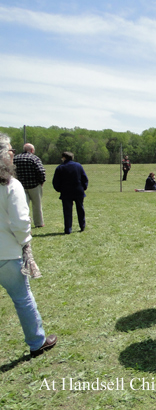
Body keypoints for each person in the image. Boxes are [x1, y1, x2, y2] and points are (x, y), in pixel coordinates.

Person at [0, 133, 57, 357]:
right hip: (9, 253)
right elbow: (21, 222)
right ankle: (37, 342)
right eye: (11, 150)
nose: (14, 153)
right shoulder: (11, 186)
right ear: (5, 155)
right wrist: (25, 243)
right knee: (23, 298)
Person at [52, 151, 88, 234]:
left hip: (66, 191)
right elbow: (84, 178)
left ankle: (68, 229)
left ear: (64, 158)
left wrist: (59, 189)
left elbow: (56, 182)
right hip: (78, 190)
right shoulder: (78, 166)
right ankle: (82, 226)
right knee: (80, 208)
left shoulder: (60, 168)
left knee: (67, 211)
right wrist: (83, 187)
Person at [13, 143, 46, 228]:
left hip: (21, 186)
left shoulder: (15, 158)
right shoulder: (34, 158)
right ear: (31, 150)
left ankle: (23, 222)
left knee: (23, 205)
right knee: (37, 205)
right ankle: (38, 223)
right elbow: (41, 171)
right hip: (34, 185)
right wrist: (42, 181)